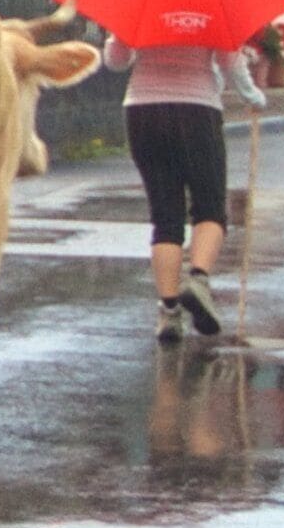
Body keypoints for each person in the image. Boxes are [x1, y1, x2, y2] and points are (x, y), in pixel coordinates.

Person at [106, 28, 264, 344]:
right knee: (210, 209)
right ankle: (198, 280)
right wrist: (253, 96)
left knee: (165, 217)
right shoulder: (210, 1)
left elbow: (115, 60)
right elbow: (229, 60)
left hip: (142, 110)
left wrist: (127, 36)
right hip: (197, 109)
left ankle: (168, 311)